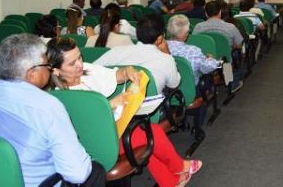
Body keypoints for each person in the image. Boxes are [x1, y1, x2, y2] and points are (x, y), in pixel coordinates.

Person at [47, 37, 200, 187]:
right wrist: (110, 105)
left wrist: (127, 71)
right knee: (152, 132)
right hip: (94, 146)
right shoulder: (58, 97)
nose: (80, 64)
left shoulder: (86, 70)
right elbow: (85, 128)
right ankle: (179, 167)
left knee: (145, 138)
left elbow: (115, 75)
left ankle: (171, 182)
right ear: (56, 70)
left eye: (79, 57)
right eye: (72, 63)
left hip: (110, 132)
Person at [0, 34, 105, 187]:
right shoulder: (47, 106)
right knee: (95, 171)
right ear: (31, 74)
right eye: (46, 66)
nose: (49, 70)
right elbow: (77, 174)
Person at [94, 14, 181, 93]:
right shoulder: (166, 60)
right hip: (150, 109)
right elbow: (174, 85)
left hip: (114, 107)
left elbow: (91, 70)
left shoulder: (115, 51)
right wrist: (167, 54)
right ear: (160, 39)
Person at [193, 0, 244, 92]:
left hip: (206, 60)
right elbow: (239, 45)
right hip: (224, 62)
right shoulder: (231, 27)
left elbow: (195, 44)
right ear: (220, 12)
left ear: (206, 13)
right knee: (234, 54)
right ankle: (231, 83)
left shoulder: (198, 27)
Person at [166, 15, 221, 85]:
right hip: (191, 88)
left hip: (169, 89)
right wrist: (211, 60)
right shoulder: (193, 51)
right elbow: (206, 69)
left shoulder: (160, 48)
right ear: (185, 33)